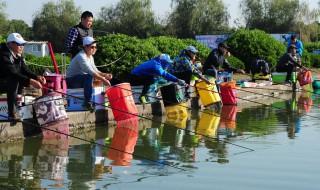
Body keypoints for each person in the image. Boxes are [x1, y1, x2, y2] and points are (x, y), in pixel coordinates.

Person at [0, 33, 46, 121]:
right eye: (19, 44)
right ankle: (12, 114)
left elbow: (25, 70)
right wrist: (30, 81)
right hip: (4, 80)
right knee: (14, 80)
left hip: (7, 80)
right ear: (10, 44)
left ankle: (27, 110)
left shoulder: (18, 54)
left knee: (21, 81)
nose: (22, 47)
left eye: (23, 44)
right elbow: (12, 73)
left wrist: (37, 77)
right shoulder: (3, 54)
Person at [66, 36, 112, 110]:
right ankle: (87, 102)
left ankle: (99, 101)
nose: (94, 49)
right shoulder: (81, 56)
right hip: (71, 80)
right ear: (86, 47)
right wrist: (103, 80)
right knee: (90, 76)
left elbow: (95, 70)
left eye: (95, 47)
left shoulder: (90, 57)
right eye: (92, 47)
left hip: (80, 78)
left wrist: (105, 75)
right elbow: (90, 71)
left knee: (95, 78)